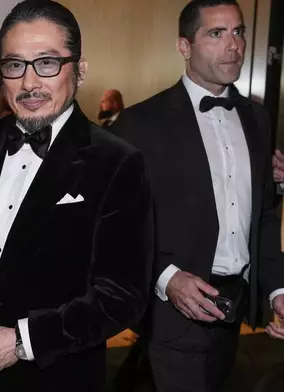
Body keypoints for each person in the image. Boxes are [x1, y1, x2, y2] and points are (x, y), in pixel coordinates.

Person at [0, 1, 154, 390]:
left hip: (57, 376)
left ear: (79, 69)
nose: (29, 84)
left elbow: (121, 295)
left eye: (46, 63)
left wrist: (21, 342)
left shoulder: (117, 162)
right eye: (14, 65)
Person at [113, 1, 284, 390]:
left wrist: (277, 287)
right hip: (172, 310)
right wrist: (165, 277)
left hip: (233, 307)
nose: (233, 45)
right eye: (216, 33)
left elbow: (264, 216)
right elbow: (115, 227)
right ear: (184, 47)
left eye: (238, 31)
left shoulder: (257, 119)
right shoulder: (140, 124)